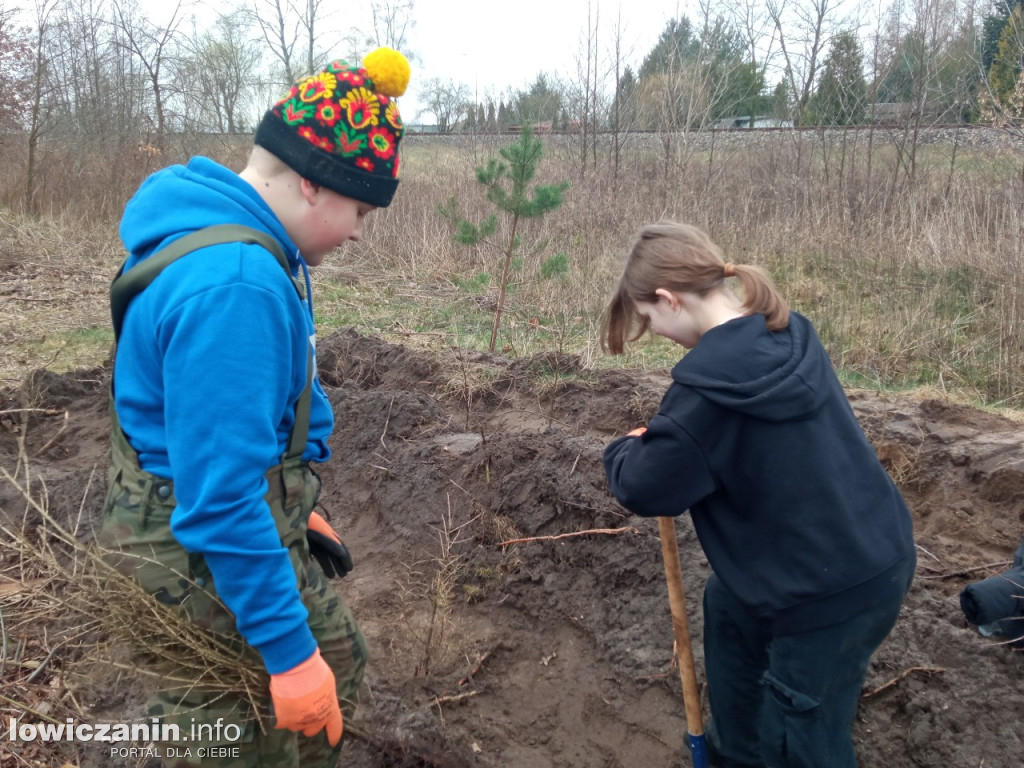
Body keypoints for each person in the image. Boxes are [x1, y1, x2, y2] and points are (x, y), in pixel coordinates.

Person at [98, 48, 410, 767]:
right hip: (187, 542)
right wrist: (289, 656)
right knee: (248, 714)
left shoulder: (226, 235)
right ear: (310, 182)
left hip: (194, 503)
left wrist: (292, 501)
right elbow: (217, 499)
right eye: (359, 208)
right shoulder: (235, 283)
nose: (360, 231)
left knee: (317, 666)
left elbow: (222, 425)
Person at [601, 221, 916, 768]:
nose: (657, 334)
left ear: (669, 300)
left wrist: (623, 450)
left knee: (805, 739)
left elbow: (644, 486)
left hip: (828, 595)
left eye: (650, 320)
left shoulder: (705, 398)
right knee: (727, 605)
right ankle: (738, 752)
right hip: (877, 545)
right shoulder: (789, 333)